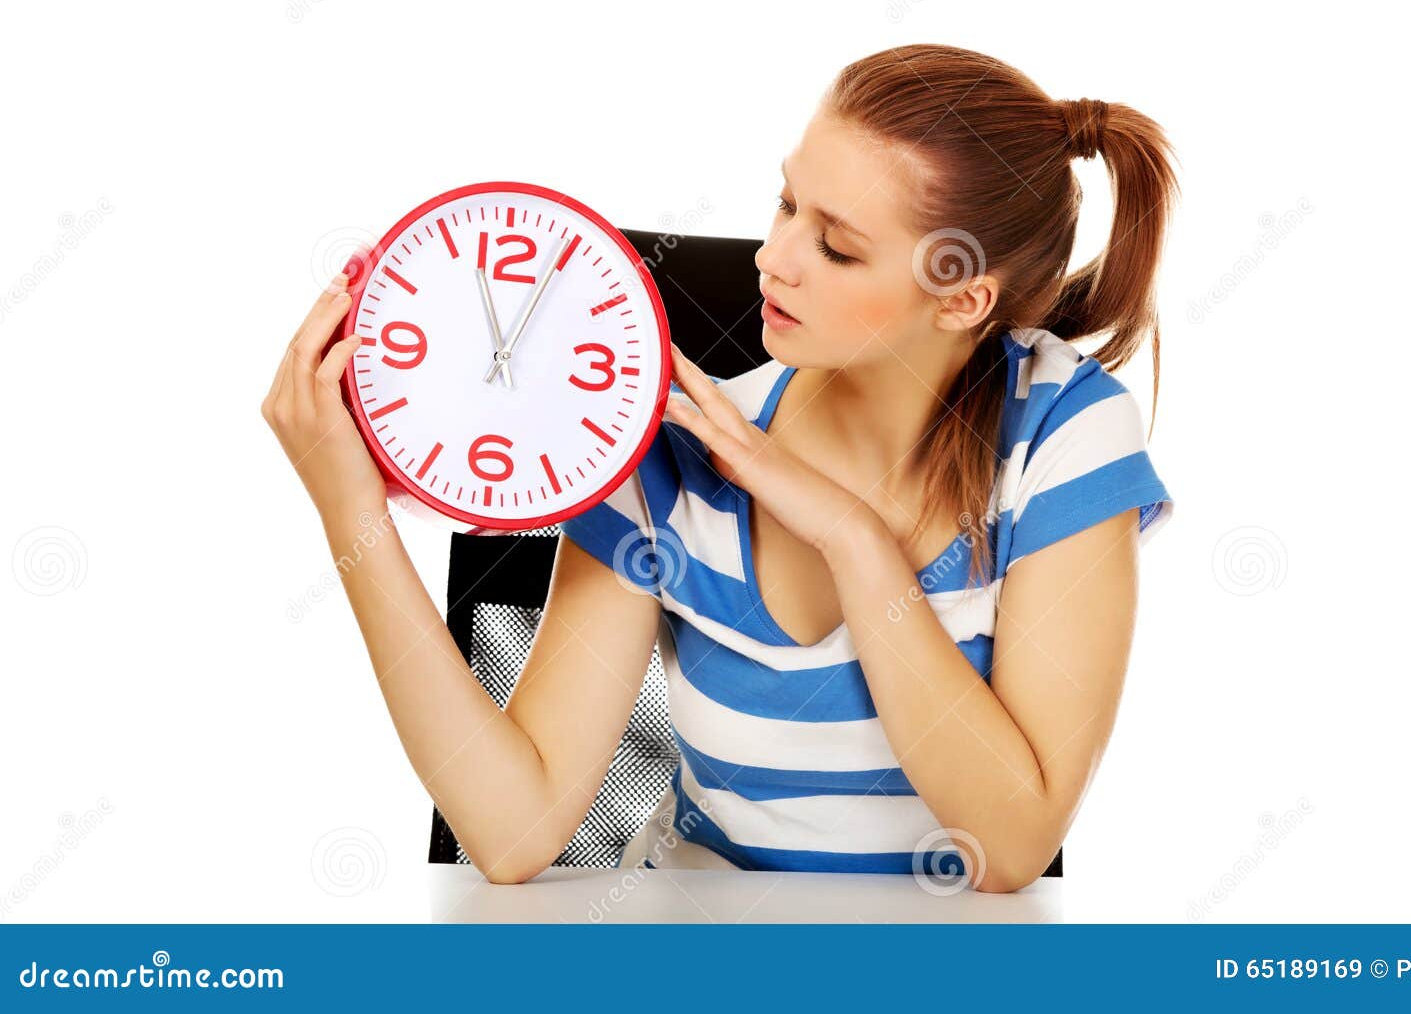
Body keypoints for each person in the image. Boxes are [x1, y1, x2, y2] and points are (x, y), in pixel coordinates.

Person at [263, 43, 1179, 893]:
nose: (771, 259)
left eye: (836, 245)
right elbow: (514, 831)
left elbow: (1011, 845)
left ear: (963, 296)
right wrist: (352, 513)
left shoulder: (1063, 432)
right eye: (785, 204)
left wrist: (852, 537)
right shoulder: (669, 441)